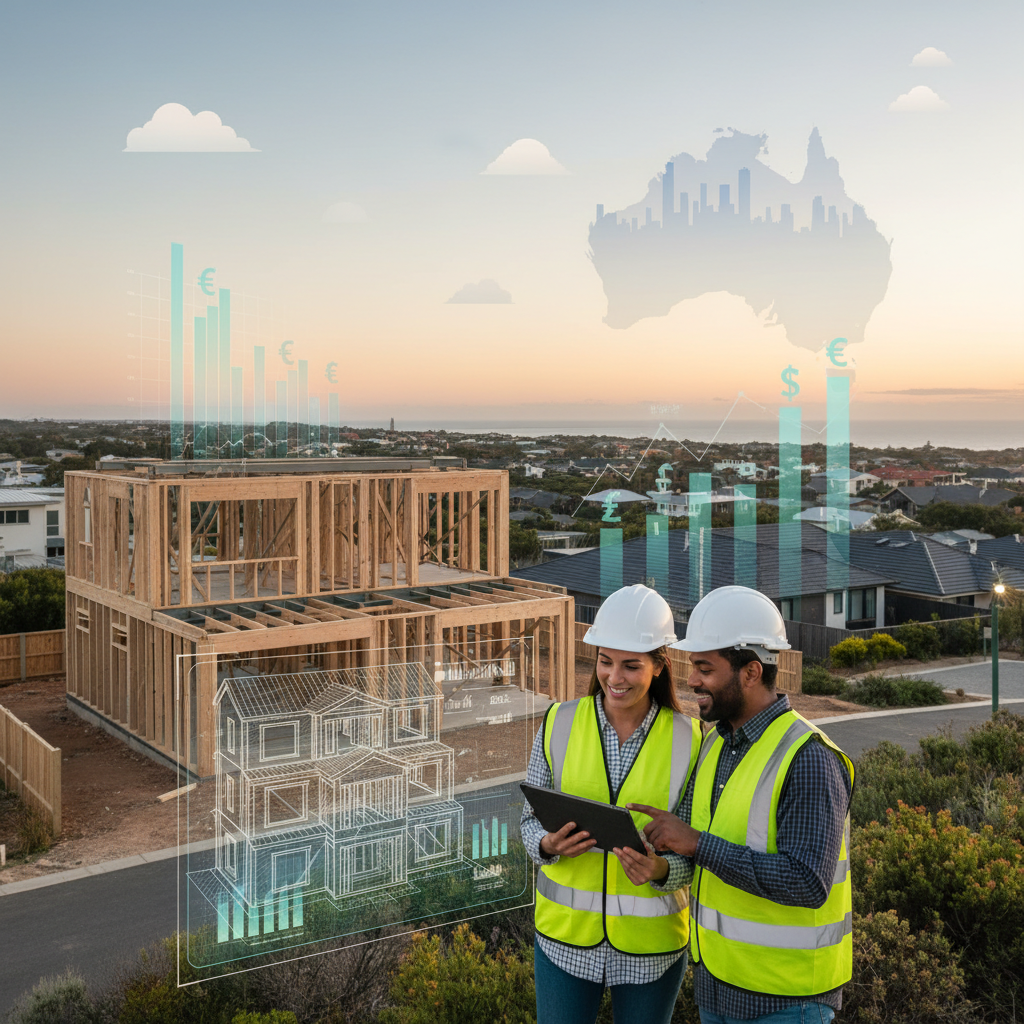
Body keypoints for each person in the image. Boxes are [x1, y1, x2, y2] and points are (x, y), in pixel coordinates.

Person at [629, 585, 854, 1024]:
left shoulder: (808, 758)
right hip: (719, 988)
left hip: (787, 1001)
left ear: (751, 672)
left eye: (704, 669)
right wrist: (660, 866)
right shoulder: (715, 746)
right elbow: (700, 857)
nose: (691, 680)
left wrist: (696, 844)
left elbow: (807, 882)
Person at [520, 583, 703, 1024]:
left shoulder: (691, 739)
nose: (614, 677)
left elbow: (698, 849)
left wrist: (660, 870)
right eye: (605, 661)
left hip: (652, 949)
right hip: (564, 942)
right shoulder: (557, 722)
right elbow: (528, 821)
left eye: (631, 665)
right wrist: (547, 846)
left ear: (660, 666)